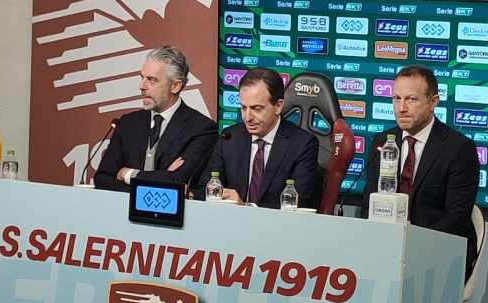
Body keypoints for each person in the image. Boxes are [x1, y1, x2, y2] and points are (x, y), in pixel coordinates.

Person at [361, 65, 480, 278]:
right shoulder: (382, 142)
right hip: (387, 250)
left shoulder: (458, 149)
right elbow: (369, 204)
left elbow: (456, 218)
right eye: (396, 99)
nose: (401, 108)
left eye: (411, 99)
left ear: (433, 102)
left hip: (439, 252)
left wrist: (410, 247)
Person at [191, 67, 319, 209]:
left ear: (278, 106)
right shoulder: (229, 138)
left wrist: (247, 207)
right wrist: (189, 194)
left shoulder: (302, 144)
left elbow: (299, 203)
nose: (247, 118)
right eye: (243, 108)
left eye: (256, 109)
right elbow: (206, 187)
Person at [94, 45, 218, 192]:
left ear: (175, 86)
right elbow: (102, 178)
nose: (142, 86)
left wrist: (127, 174)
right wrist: (160, 179)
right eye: (142, 77)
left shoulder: (201, 128)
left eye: (152, 80)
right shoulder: (128, 123)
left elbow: (179, 180)